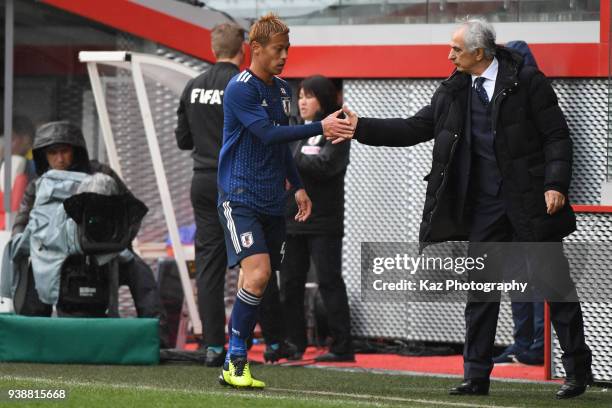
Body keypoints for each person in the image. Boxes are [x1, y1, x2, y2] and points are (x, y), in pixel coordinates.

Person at [331, 19, 592, 400]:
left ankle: (577, 373)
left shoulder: (529, 81)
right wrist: (361, 127)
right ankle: (476, 377)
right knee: (480, 295)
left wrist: (555, 185)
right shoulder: (453, 90)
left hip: (530, 204)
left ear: (478, 54)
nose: (449, 55)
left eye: (455, 49)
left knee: (556, 288)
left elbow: (557, 137)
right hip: (484, 209)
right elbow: (414, 128)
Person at [217, 13, 354, 389]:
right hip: (239, 196)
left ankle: (233, 358)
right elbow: (265, 133)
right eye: (278, 50)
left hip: (271, 201)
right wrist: (320, 126)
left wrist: (296, 186)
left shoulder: (280, 90)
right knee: (259, 275)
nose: (284, 57)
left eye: (287, 50)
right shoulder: (240, 88)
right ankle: (237, 360)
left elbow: (281, 146)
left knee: (257, 280)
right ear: (255, 49)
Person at [13, 121, 164, 326]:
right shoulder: (37, 185)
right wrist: (26, 246)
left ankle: (157, 335)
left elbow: (131, 211)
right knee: (34, 275)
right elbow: (22, 220)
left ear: (76, 151)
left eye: (64, 151)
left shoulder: (101, 174)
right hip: (50, 251)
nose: (59, 158)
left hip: (101, 249)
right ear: (43, 155)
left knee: (140, 272)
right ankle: (29, 338)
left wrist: (118, 243)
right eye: (53, 152)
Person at [175, 22, 246, 367]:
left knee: (208, 266)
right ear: (242, 49)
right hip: (237, 181)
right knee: (255, 258)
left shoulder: (193, 86)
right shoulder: (243, 85)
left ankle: (213, 346)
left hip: (202, 181)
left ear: (212, 48)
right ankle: (274, 341)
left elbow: (183, 140)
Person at [281, 75, 354, 362]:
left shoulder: (336, 130)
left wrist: (288, 158)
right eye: (300, 95)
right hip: (291, 219)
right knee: (289, 283)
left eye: (309, 96)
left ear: (322, 100)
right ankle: (295, 343)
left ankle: (342, 346)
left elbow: (327, 165)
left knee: (329, 282)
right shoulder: (292, 131)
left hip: (324, 219)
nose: (302, 101)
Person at [492, 40, 544, 366]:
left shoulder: (532, 100)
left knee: (532, 274)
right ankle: (525, 342)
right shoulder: (506, 99)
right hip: (509, 201)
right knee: (517, 276)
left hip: (529, 201)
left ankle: (535, 344)